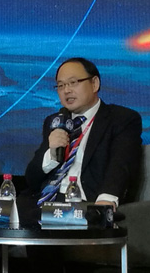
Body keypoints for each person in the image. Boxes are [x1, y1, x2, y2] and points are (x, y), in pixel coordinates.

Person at [18, 57, 142, 272]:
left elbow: (121, 164)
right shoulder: (54, 122)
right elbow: (32, 178)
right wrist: (51, 153)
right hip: (44, 201)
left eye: (73, 83)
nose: (66, 91)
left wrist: (106, 202)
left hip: (84, 203)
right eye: (60, 85)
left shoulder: (121, 119)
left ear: (94, 83)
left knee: (41, 221)